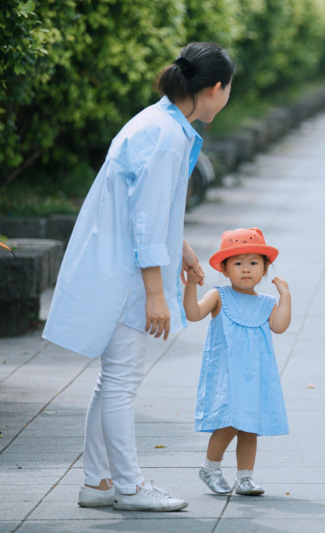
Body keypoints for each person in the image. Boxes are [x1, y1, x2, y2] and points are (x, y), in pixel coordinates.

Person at [43, 42, 234, 511]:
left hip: (118, 261)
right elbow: (146, 219)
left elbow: (149, 207)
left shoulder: (159, 123)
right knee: (122, 382)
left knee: (112, 380)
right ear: (215, 89)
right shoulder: (167, 136)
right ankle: (128, 486)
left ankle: (99, 482)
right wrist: (156, 294)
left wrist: (183, 250)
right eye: (229, 88)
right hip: (126, 272)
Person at [184, 227, 291, 496]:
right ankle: (210, 467)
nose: (246, 269)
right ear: (224, 269)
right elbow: (194, 313)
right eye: (238, 263)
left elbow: (279, 326)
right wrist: (189, 285)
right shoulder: (219, 296)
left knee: (250, 427)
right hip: (227, 374)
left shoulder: (266, 303)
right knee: (229, 423)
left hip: (255, 375)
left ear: (265, 269)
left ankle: (245, 476)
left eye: (254, 263)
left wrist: (285, 297)